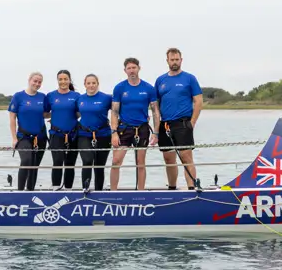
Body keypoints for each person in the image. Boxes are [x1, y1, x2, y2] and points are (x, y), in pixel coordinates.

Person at [154, 48, 203, 190]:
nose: (174, 62)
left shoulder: (189, 78)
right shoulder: (160, 80)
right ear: (167, 61)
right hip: (165, 124)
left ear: (181, 60)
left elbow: (198, 101)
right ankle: (172, 187)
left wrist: (192, 123)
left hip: (183, 123)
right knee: (168, 159)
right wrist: (156, 128)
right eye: (172, 59)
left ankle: (191, 188)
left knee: (185, 157)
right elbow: (155, 104)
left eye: (177, 59)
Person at [110, 57, 160, 190]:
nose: (132, 70)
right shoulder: (119, 88)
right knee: (116, 162)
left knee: (140, 163)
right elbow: (114, 112)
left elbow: (155, 112)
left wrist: (155, 133)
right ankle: (113, 192)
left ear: (139, 68)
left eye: (134, 68)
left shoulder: (148, 88)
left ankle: (141, 191)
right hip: (124, 129)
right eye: (129, 68)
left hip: (142, 129)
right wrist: (114, 132)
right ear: (125, 70)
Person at [8, 72, 50, 191]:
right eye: (35, 81)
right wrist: (14, 138)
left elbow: (45, 114)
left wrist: (59, 117)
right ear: (29, 80)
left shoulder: (43, 97)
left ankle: (30, 191)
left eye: (39, 82)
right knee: (26, 161)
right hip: (23, 137)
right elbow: (12, 118)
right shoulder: (18, 96)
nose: (37, 84)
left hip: (40, 137)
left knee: (34, 166)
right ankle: (20, 191)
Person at [76, 73, 113, 191]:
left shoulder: (106, 98)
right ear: (84, 85)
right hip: (84, 134)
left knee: (99, 165)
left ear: (97, 84)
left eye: (93, 83)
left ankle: (98, 191)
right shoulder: (80, 99)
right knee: (87, 161)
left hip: (103, 134)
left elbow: (118, 111)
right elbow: (73, 114)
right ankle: (85, 188)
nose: (91, 85)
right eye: (88, 83)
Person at [46, 69, 81, 190]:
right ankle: (55, 188)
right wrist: (55, 116)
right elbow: (45, 113)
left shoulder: (76, 96)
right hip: (56, 134)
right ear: (57, 80)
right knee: (57, 161)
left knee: (70, 163)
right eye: (60, 79)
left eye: (65, 79)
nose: (63, 81)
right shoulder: (51, 96)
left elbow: (79, 113)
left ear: (69, 80)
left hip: (73, 134)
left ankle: (68, 189)